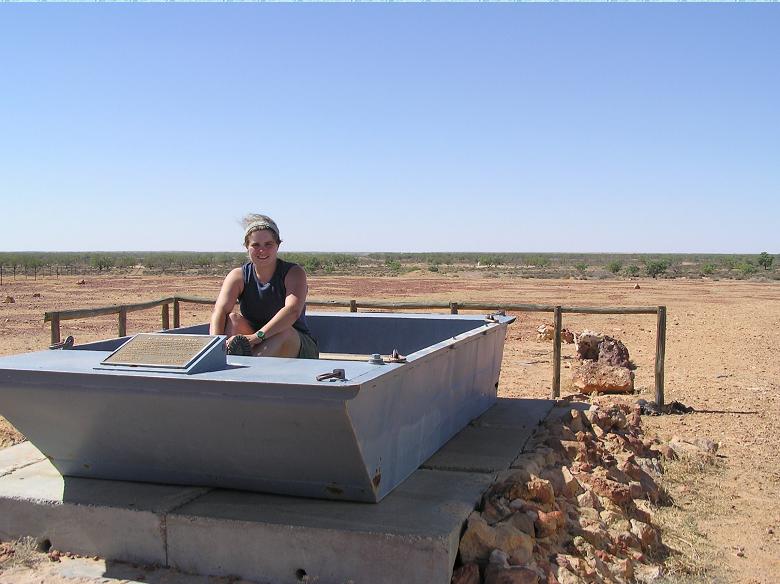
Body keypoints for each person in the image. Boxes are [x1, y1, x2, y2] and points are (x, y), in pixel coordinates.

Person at [209, 214, 319, 358]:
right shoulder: (238, 276)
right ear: (247, 247)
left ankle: (246, 370)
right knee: (232, 319)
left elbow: (292, 311)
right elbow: (220, 311)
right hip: (256, 341)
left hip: (296, 344)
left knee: (284, 332)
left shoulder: (293, 273)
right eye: (256, 245)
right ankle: (227, 359)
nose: (262, 250)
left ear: (278, 245)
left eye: (268, 244)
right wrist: (215, 346)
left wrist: (257, 337)